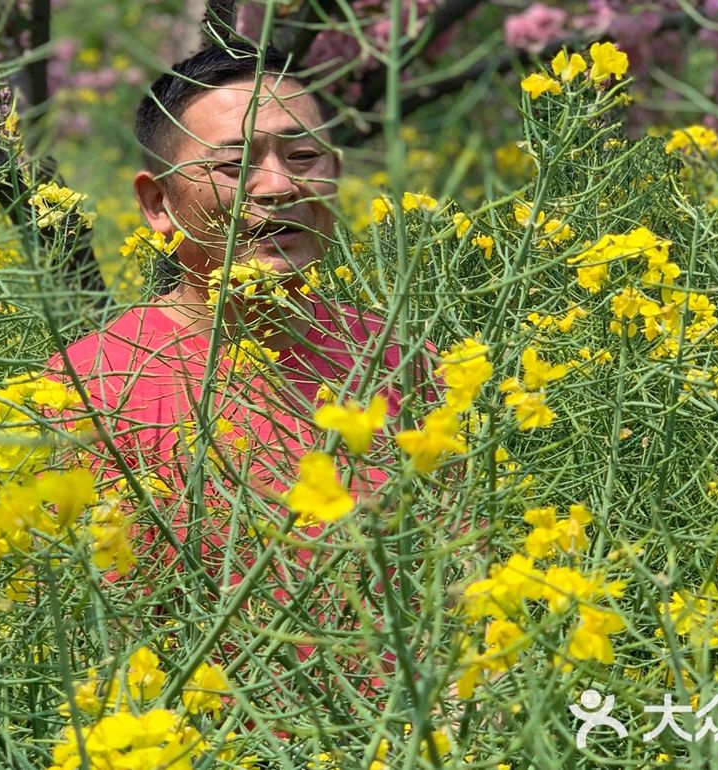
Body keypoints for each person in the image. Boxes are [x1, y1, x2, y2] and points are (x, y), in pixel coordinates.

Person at [45, 41, 442, 709]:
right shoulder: (86, 390)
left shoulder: (399, 358)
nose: (279, 187)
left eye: (304, 156)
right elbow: (76, 640)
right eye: (234, 164)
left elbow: (453, 579)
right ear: (157, 204)